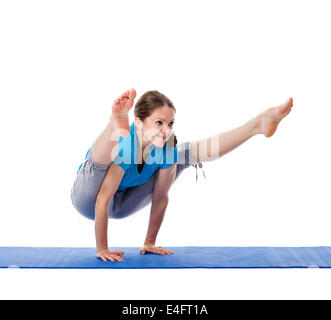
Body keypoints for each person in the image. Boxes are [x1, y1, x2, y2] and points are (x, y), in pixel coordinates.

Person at [70, 89, 294, 262]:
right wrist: (102, 248)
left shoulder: (166, 146)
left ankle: (256, 125)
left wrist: (149, 242)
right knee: (103, 159)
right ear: (138, 121)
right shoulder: (125, 148)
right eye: (158, 122)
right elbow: (101, 199)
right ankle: (114, 124)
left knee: (182, 154)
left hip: (119, 206)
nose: (166, 129)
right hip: (89, 198)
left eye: (170, 123)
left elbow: (161, 197)